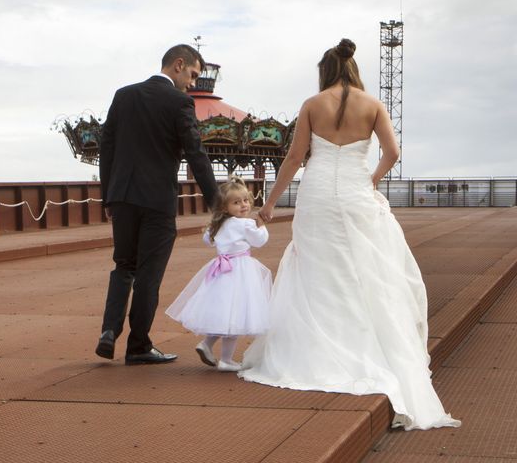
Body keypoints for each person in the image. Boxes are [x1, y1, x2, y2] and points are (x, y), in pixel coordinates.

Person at [238, 39, 461, 430]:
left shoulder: (312, 104)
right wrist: (371, 180)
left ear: (325, 71)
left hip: (319, 192)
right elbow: (392, 152)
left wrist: (270, 204)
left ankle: (318, 349)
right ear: (353, 68)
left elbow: (294, 158)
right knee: (363, 269)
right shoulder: (372, 104)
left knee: (318, 269)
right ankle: (369, 346)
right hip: (357, 193)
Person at [96, 44, 219, 365]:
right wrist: (217, 204)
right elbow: (195, 153)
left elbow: (106, 148)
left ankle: (108, 331)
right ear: (179, 65)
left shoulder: (124, 95)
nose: (192, 83)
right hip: (157, 201)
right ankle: (138, 346)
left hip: (122, 197)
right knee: (149, 275)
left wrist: (109, 194)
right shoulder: (179, 102)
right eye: (192, 74)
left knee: (123, 265)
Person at [166, 177, 271, 371]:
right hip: (240, 270)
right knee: (235, 316)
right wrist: (261, 225)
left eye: (245, 200)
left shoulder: (219, 225)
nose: (243, 205)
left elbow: (209, 240)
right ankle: (226, 360)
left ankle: (206, 344)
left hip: (221, 271)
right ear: (225, 207)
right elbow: (260, 241)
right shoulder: (246, 224)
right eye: (236, 202)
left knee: (224, 314)